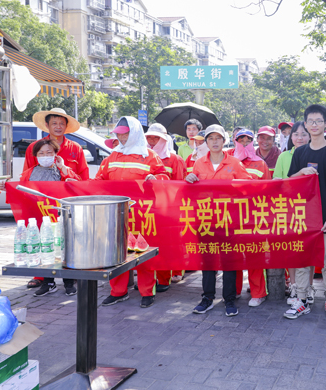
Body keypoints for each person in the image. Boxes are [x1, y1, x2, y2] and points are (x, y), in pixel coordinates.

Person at [96, 117, 169, 308]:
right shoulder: (112, 156)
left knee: (143, 253)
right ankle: (118, 292)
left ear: (134, 132)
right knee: (117, 254)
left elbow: (165, 177)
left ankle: (147, 291)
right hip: (116, 214)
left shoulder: (150, 156)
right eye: (118, 133)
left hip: (142, 215)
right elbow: (98, 181)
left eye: (125, 133)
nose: (121, 137)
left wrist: (157, 178)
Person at [285, 104, 326, 320]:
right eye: (310, 121)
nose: (314, 125)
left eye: (318, 121)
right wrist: (301, 171)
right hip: (303, 217)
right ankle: (301, 299)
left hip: (324, 216)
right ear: (305, 123)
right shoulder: (300, 152)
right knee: (303, 260)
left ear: (325, 124)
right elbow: (290, 182)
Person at [1, 138, 81, 296]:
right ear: (36, 156)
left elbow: (79, 185)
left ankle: (69, 281)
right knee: (45, 248)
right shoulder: (29, 173)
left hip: (60, 218)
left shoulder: (62, 170)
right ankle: (48, 282)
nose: (45, 156)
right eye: (41, 153)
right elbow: (19, 191)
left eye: (49, 153)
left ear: (56, 154)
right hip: (40, 219)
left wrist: (63, 168)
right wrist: (7, 188)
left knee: (64, 248)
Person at [186, 124, 251, 317]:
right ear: (206, 142)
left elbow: (247, 186)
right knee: (208, 261)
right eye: (211, 139)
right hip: (205, 219)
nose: (214, 142)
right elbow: (190, 188)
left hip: (229, 220)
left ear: (224, 141)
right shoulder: (198, 164)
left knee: (229, 261)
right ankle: (207, 298)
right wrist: (188, 178)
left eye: (218, 138)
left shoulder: (235, 163)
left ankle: (229, 300)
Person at [24, 108, 89, 289]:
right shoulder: (34, 148)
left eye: (62, 123)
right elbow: (27, 176)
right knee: (43, 237)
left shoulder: (76, 149)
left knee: (68, 238)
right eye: (54, 123)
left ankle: (71, 273)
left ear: (66, 126)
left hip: (67, 205)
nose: (58, 127)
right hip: (42, 205)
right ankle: (41, 275)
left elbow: (84, 178)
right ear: (47, 125)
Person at [273, 122, 313, 303]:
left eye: (303, 134)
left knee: (309, 250)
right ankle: (295, 287)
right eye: (295, 134)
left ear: (310, 136)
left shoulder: (316, 155)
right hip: (288, 209)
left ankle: (309, 287)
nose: (299, 138)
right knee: (292, 249)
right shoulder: (283, 156)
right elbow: (277, 182)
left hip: (311, 209)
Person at [232, 129, 271, 307]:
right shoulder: (228, 160)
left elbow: (268, 191)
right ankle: (234, 290)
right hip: (230, 216)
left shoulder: (260, 164)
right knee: (233, 255)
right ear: (235, 141)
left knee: (254, 255)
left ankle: (258, 292)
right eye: (241, 139)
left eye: (248, 140)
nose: (245, 143)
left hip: (253, 216)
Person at [145, 123, 187, 290]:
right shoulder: (144, 157)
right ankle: (148, 277)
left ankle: (165, 277)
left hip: (167, 209)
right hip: (147, 208)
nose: (153, 141)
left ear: (165, 139)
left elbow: (180, 186)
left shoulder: (175, 159)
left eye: (157, 138)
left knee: (166, 244)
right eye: (150, 137)